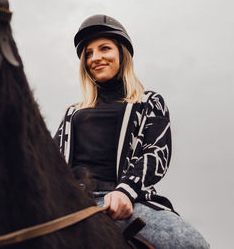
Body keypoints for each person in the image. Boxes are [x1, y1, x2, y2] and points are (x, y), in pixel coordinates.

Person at [54, 14, 209, 248]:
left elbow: (156, 153)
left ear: (122, 53)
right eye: (89, 53)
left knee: (192, 244)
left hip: (124, 198)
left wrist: (125, 191)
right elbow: (51, 159)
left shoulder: (149, 102)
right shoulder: (72, 113)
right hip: (71, 200)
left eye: (104, 48)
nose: (95, 58)